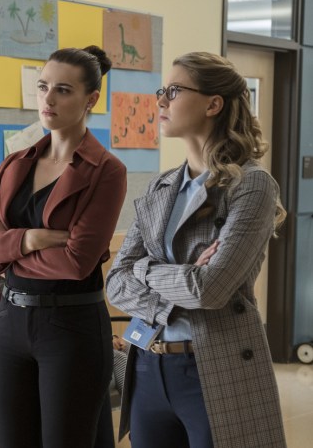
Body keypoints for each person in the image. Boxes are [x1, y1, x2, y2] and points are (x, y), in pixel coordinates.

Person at [106, 52, 287, 448]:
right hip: (148, 362)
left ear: (213, 104)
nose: (161, 100)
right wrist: (183, 277)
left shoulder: (252, 185)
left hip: (214, 367)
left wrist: (145, 269)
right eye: (162, 90)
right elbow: (116, 282)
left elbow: (210, 289)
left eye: (174, 90)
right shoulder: (161, 187)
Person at [0, 46, 127, 447]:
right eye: (42, 87)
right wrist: (30, 238)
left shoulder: (107, 171)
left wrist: (6, 245)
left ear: (91, 99)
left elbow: (76, 262)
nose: (48, 99)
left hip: (71, 327)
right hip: (10, 322)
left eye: (63, 90)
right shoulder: (14, 163)